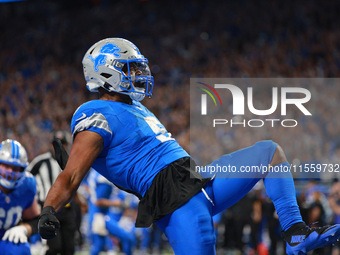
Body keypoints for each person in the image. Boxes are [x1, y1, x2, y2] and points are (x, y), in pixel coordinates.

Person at [38, 38, 340, 255]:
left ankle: (295, 233)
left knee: (270, 152)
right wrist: (48, 209)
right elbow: (71, 175)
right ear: (105, 73)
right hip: (173, 198)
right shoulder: (95, 113)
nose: (137, 75)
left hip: (197, 180)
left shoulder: (133, 107)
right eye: (129, 69)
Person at [27, 131, 80, 255]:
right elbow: (26, 179)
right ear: (51, 145)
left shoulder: (71, 163)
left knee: (69, 248)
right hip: (48, 209)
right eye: (57, 143)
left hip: (67, 209)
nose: (60, 146)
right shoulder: (40, 161)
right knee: (53, 247)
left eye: (63, 143)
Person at [0, 139, 41, 255]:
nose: (10, 172)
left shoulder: (26, 185)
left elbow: (34, 219)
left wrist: (23, 229)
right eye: (6, 165)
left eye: (15, 168)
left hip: (5, 239)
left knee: (20, 248)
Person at [86, 169, 136, 255]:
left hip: (98, 215)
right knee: (128, 238)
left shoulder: (96, 173)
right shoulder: (102, 176)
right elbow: (98, 201)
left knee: (99, 245)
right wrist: (115, 203)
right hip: (100, 217)